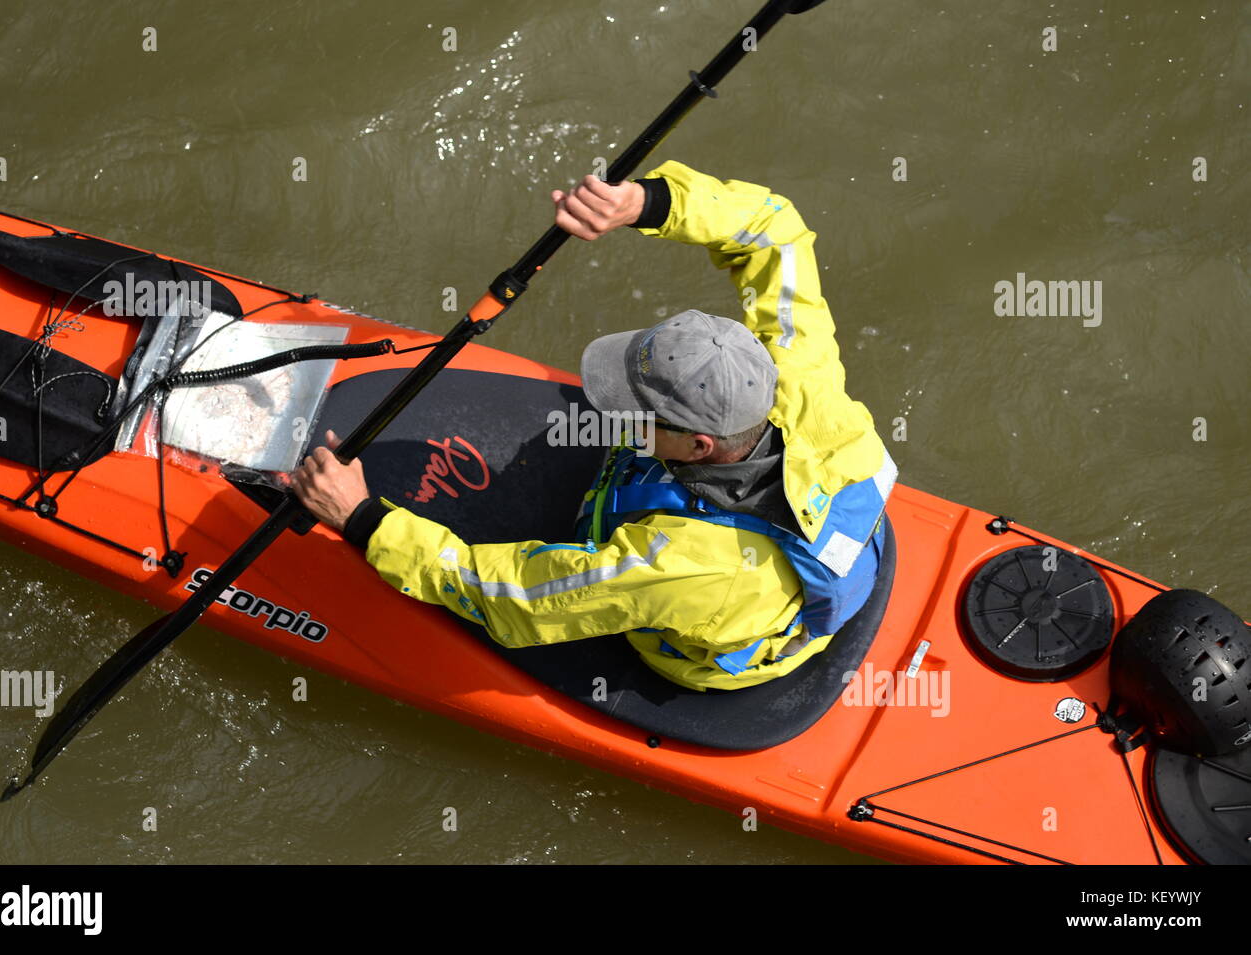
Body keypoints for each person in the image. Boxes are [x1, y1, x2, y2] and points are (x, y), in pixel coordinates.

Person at [291, 161, 895, 691]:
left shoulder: (678, 566)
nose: (611, 410)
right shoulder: (798, 376)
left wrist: (364, 520)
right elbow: (774, 231)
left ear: (697, 444)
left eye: (634, 411)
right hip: (772, 536)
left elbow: (517, 600)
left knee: (584, 589)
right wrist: (645, 203)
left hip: (704, 632)